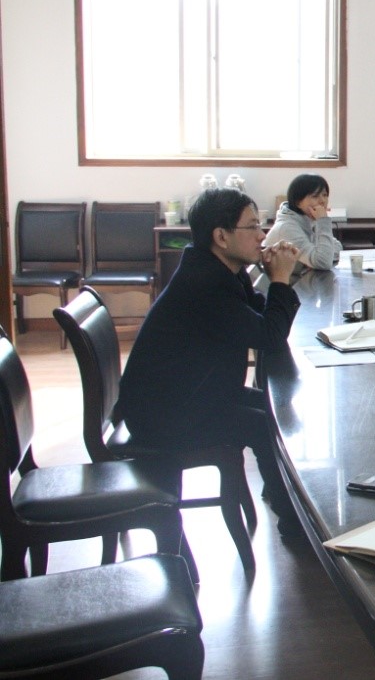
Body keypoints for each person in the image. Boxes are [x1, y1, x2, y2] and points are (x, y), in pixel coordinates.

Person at [116, 188, 305, 537]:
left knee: (272, 407)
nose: (262, 235)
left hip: (191, 394)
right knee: (263, 424)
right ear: (221, 236)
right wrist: (280, 280)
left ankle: (283, 499)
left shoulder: (221, 269)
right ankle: (293, 523)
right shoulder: (205, 283)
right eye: (252, 226)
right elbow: (268, 336)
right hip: (163, 415)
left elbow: (260, 315)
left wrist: (277, 277)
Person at [263, 173, 340, 273]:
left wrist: (323, 255)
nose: (322, 201)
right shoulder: (287, 228)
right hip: (281, 282)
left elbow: (338, 248)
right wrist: (323, 221)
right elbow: (323, 262)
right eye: (315, 196)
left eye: (325, 195)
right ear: (298, 202)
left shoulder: (309, 221)